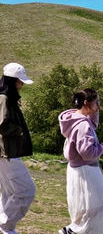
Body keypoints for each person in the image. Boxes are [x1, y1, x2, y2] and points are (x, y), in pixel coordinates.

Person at [58, 89, 103, 234]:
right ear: (86, 103)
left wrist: (95, 110)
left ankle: (73, 230)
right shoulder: (82, 125)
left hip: (77, 170)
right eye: (96, 102)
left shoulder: (74, 118)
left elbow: (93, 125)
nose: (98, 105)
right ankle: (74, 231)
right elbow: (87, 152)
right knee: (98, 206)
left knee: (84, 207)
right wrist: (101, 148)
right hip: (86, 170)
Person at [0, 63, 36, 234]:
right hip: (7, 154)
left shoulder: (6, 97)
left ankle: (7, 229)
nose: (21, 86)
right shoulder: (4, 98)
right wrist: (19, 130)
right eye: (19, 82)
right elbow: (2, 124)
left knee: (9, 193)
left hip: (6, 154)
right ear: (12, 81)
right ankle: (5, 225)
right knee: (26, 191)